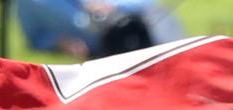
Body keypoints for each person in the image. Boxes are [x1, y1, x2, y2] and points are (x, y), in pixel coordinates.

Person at [12, 0, 185, 58]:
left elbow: (148, 5)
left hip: (141, 34)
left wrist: (107, 6)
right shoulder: (32, 3)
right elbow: (35, 38)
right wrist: (59, 43)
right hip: (98, 50)